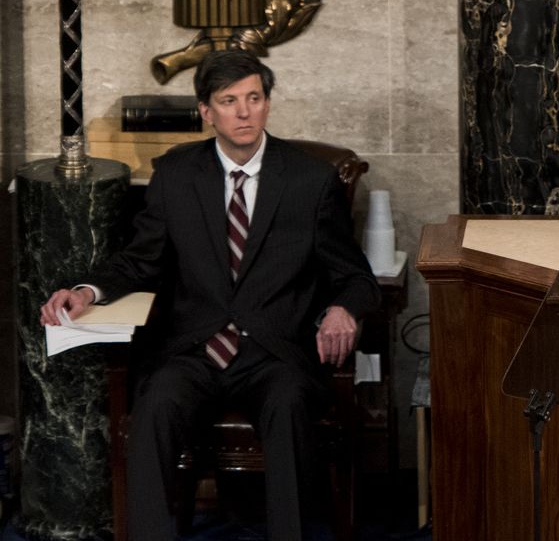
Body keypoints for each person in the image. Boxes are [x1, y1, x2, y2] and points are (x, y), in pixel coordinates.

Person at [40, 50, 379, 540]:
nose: (244, 112)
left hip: (275, 353)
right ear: (206, 111)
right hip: (194, 350)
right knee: (155, 405)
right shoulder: (176, 174)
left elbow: (355, 275)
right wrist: (85, 290)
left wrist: (343, 308)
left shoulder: (310, 180)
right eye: (229, 101)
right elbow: (140, 259)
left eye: (254, 98)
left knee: (287, 408)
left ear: (267, 103)